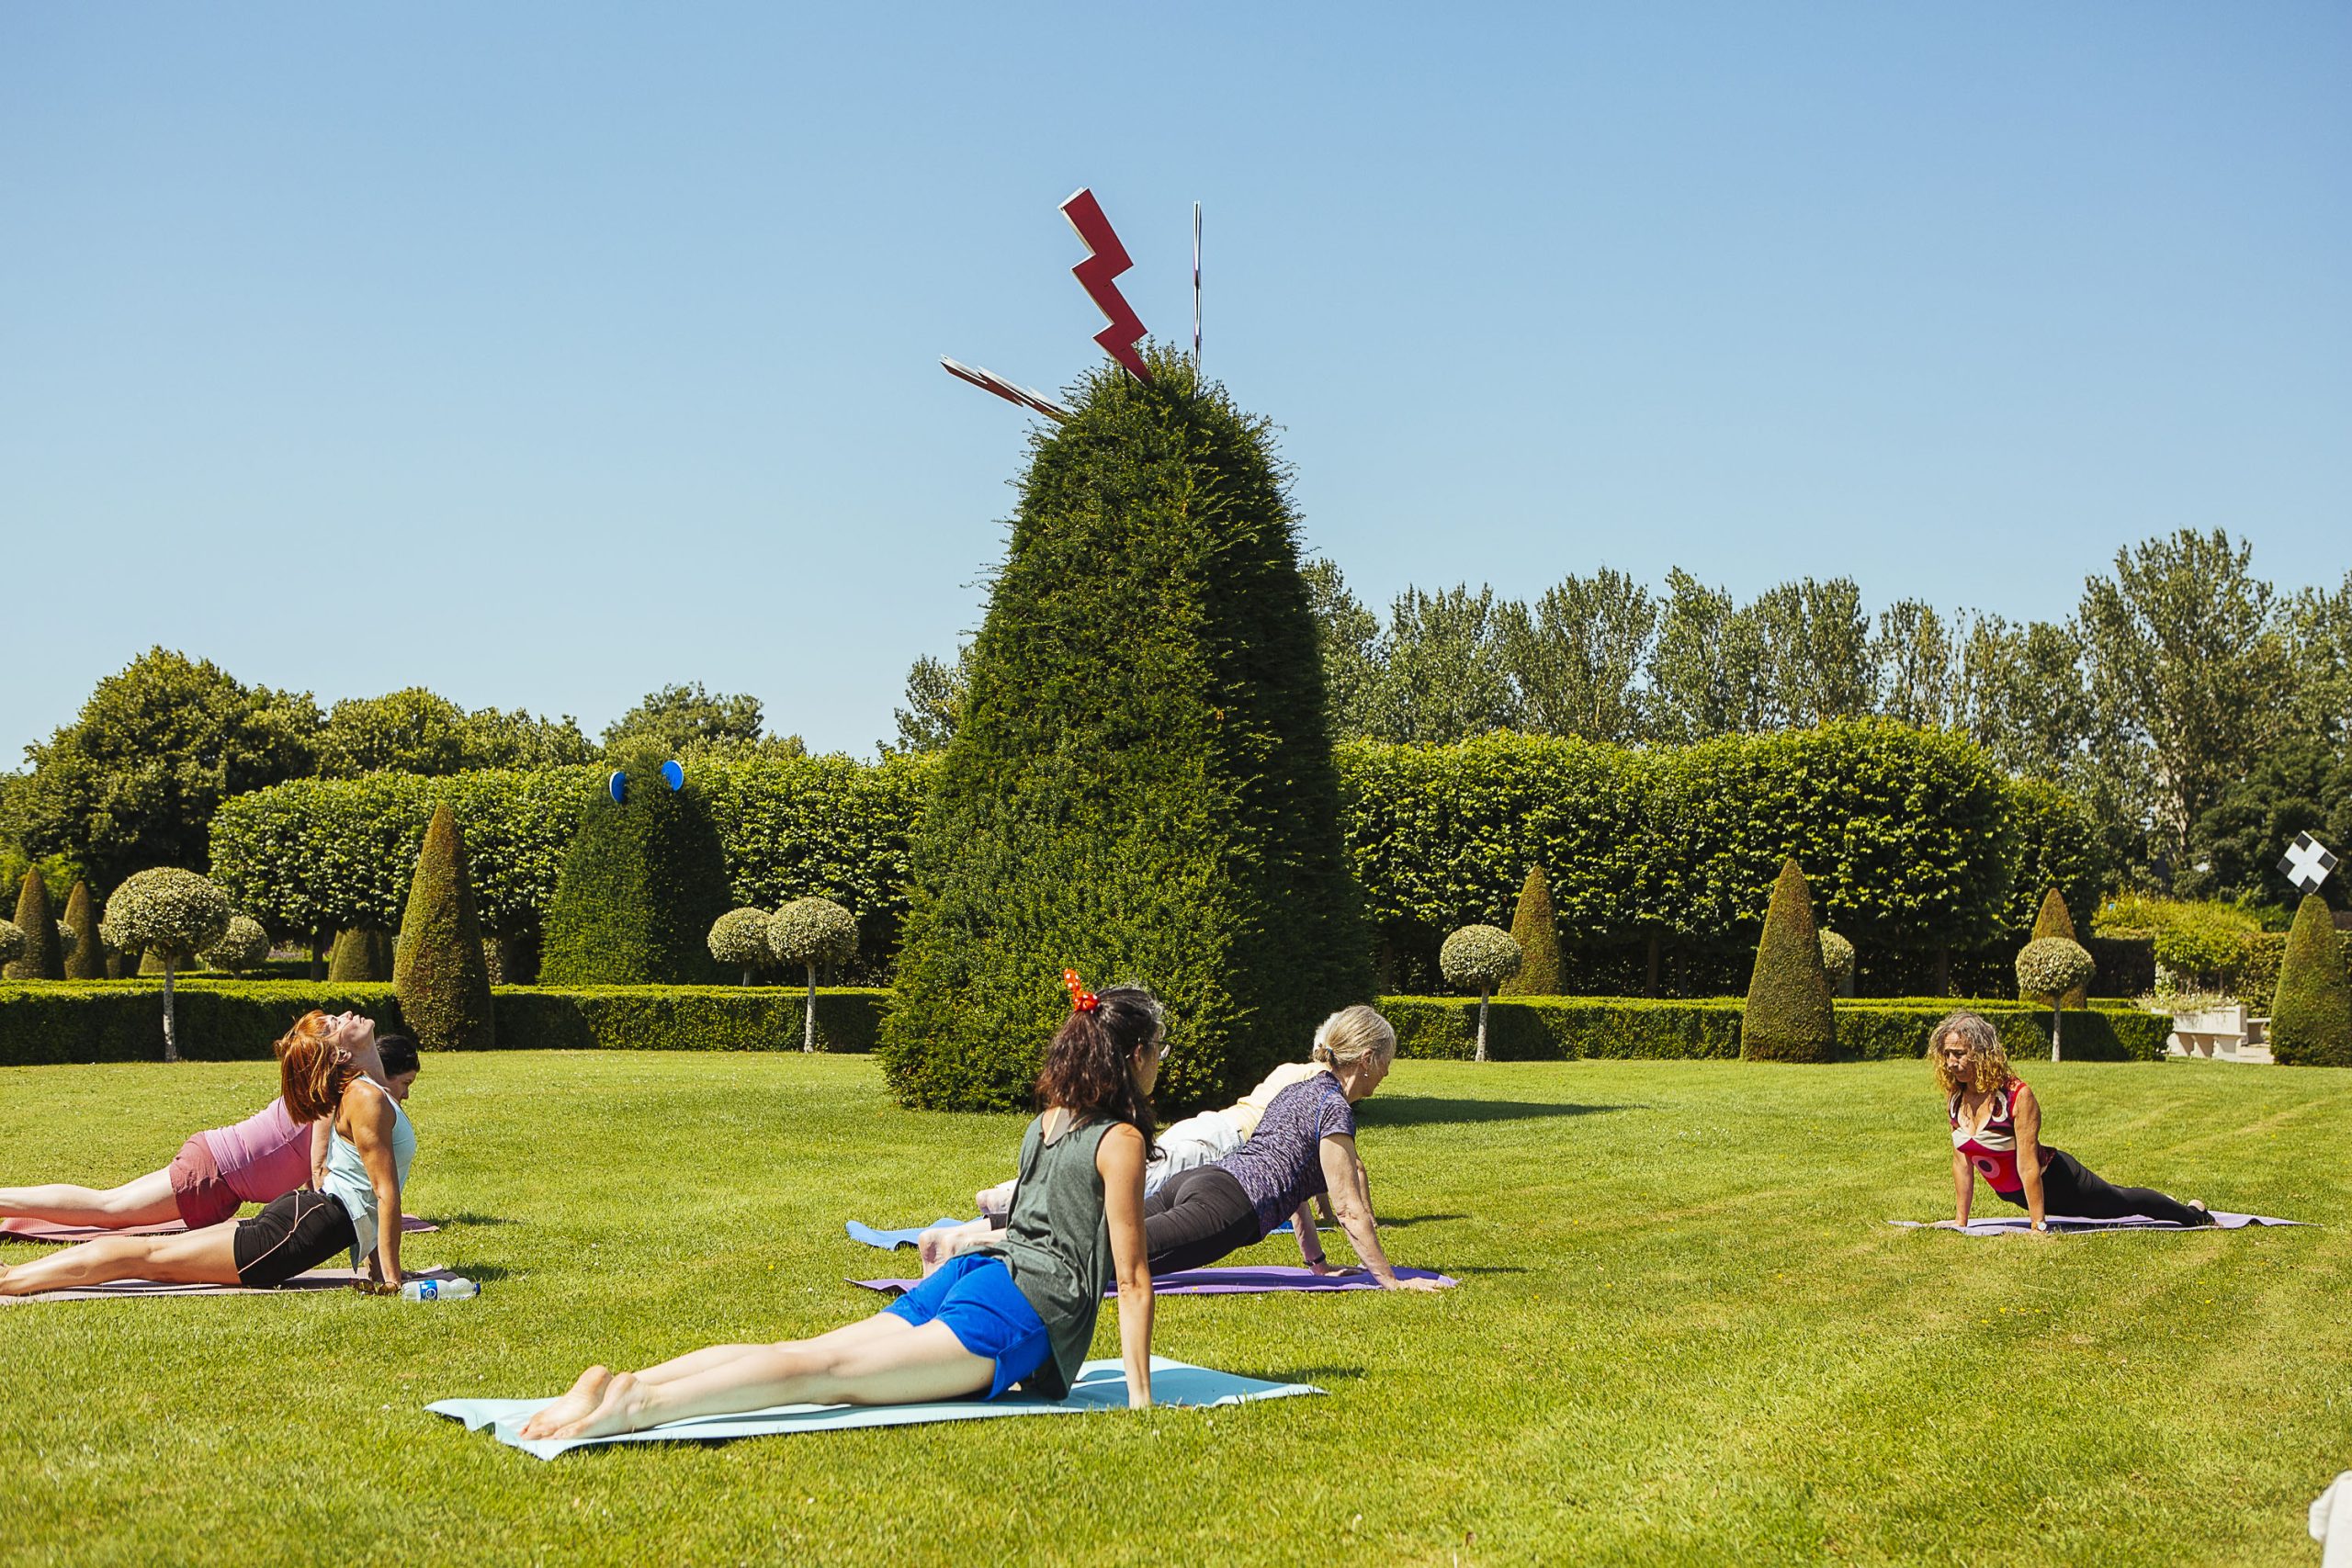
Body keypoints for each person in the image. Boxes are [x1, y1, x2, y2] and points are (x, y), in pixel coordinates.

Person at [516, 981, 1167, 1441]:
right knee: (830, 1375)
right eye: (1158, 1049)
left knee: (807, 1353)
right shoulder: (1121, 1139)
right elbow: (1132, 1281)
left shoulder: (1049, 1121)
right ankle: (641, 1403)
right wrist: (1140, 1400)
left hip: (977, 1278)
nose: (1160, 1062)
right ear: (1133, 1055)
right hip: (1016, 1310)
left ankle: (619, 1381)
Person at [0, 1015, 419, 1296]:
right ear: (341, 1055)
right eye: (336, 1023)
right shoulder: (364, 1095)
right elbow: (382, 1195)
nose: (347, 1017)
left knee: (144, 1251)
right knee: (143, 1256)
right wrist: (392, 1280)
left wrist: (381, 1270)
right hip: (300, 1226)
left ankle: (10, 1276)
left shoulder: (369, 1089)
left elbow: (359, 1189)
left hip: (304, 1217)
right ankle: (11, 1280)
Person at [1138, 1005, 1447, 1290]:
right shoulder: (1333, 1107)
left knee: (1105, 1240)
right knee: (1115, 1257)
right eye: (1386, 1062)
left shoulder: (1298, 1090)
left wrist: (1318, 1265)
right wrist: (1391, 1281)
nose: (1387, 1073)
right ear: (1366, 1059)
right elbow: (1348, 1209)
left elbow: (1295, 1192)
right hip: (1229, 1205)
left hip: (1203, 1179)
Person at [927, 1053, 1329, 1265]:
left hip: (1207, 1130)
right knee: (1115, 1202)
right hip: (1218, 1146)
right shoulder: (1318, 1089)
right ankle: (1000, 1211)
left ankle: (997, 1213)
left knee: (1117, 1196)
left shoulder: (1291, 1070)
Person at [1932, 1009, 2212, 1234]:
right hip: (2017, 1195)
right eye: (1946, 1054)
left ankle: (2194, 1215)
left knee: (2123, 1203)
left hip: (2060, 1181)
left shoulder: (2017, 1095)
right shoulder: (1957, 1101)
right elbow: (1962, 1162)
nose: (1950, 1062)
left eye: (1958, 1053)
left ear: (1982, 1053)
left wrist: (2038, 1225)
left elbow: (2028, 1164)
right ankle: (2183, 1210)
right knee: (2122, 1204)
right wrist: (1960, 1222)